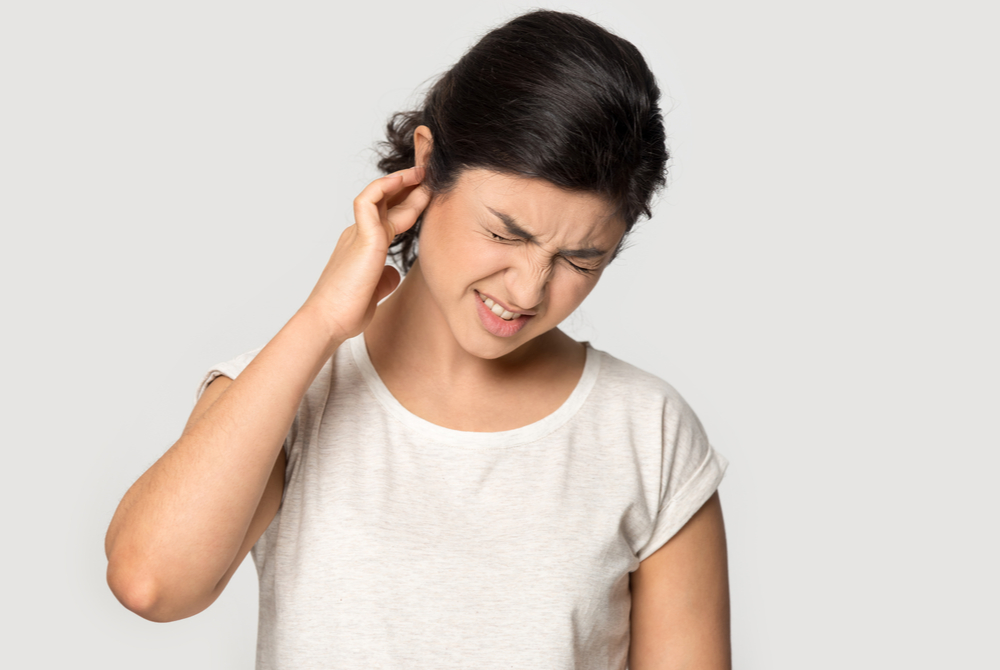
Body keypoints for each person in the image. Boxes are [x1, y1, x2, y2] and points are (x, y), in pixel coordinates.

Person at [104, 9, 731, 669]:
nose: (525, 290)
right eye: (505, 234)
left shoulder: (646, 432)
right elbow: (150, 583)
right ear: (428, 167)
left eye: (580, 260)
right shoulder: (290, 391)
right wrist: (322, 319)